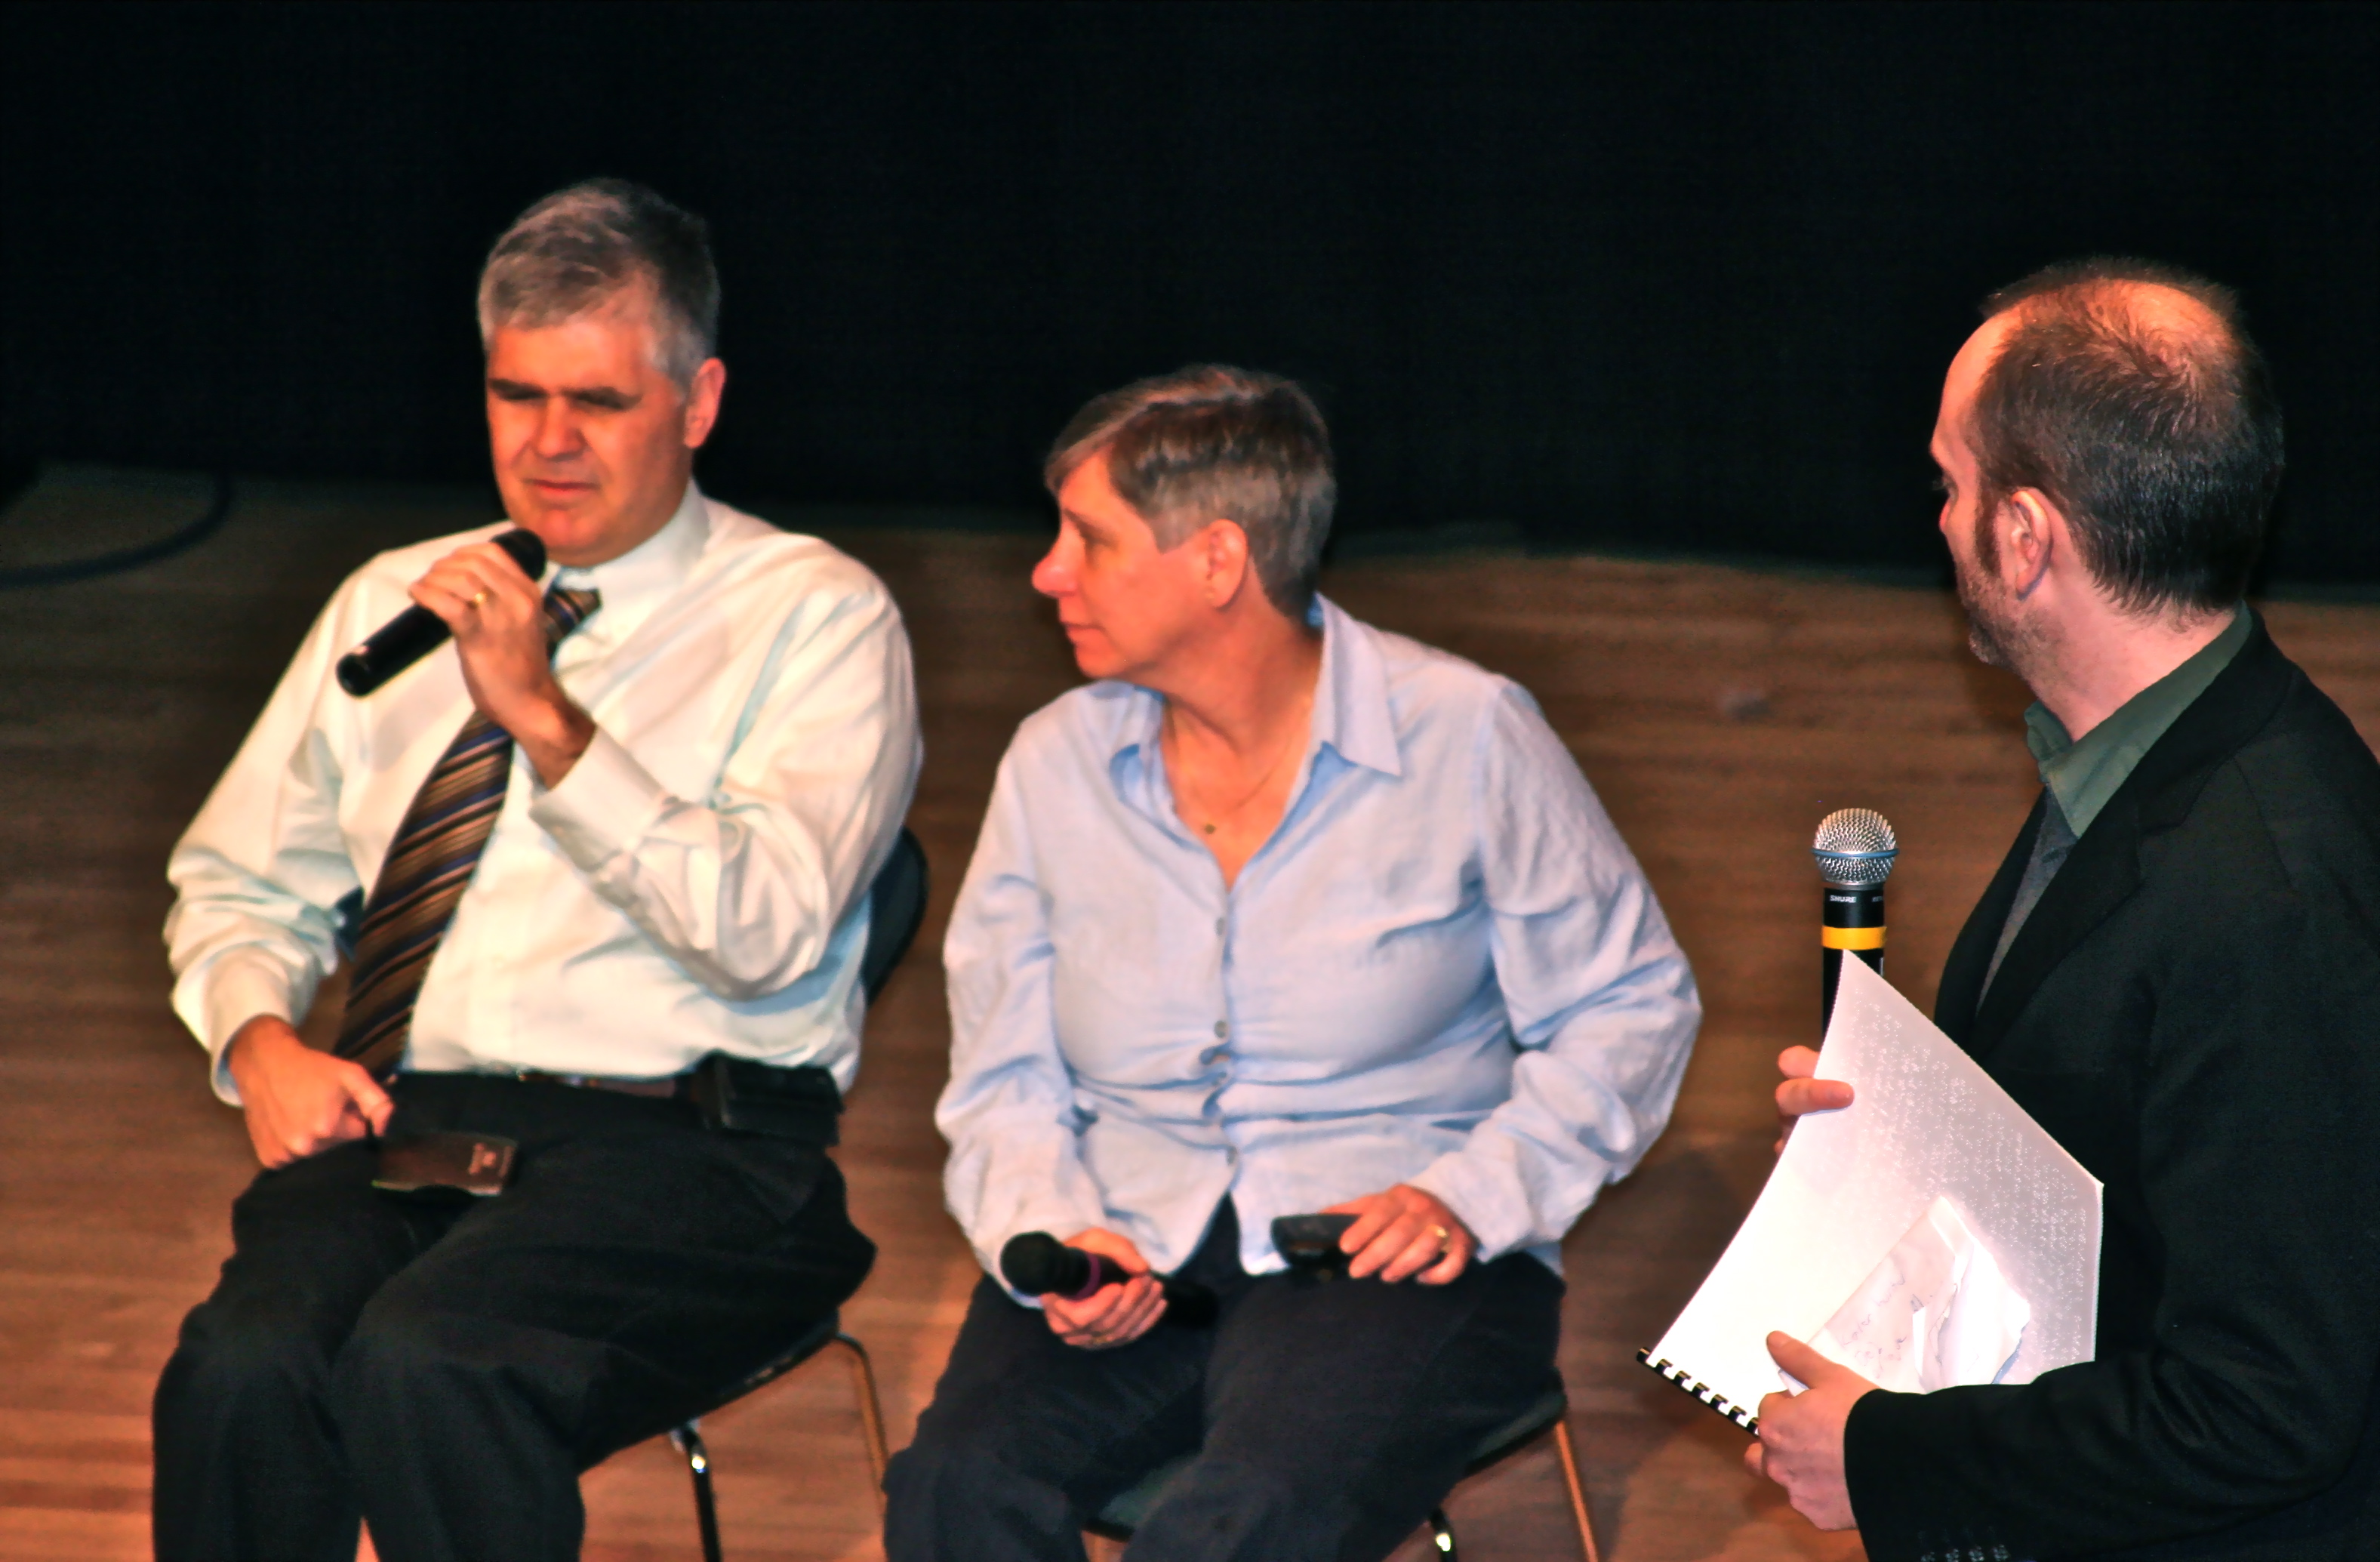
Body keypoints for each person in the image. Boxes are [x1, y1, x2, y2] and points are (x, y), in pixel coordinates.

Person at [152, 180, 920, 1562]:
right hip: (411, 1122)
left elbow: (764, 934)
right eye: (517, 397)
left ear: (698, 401)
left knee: (432, 1362)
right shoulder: (396, 597)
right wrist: (258, 1035)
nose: (549, 445)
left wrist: (550, 723)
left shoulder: (815, 615)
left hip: (697, 1146)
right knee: (243, 1370)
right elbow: (242, 879)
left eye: (601, 404)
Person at [882, 365, 1701, 1560]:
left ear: (1217, 562)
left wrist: (1473, 1193)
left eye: (1088, 539)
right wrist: (1054, 1226)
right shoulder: (1052, 762)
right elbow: (1003, 1074)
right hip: (1128, 1228)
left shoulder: (1463, 733)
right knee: (955, 1490)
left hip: (1388, 1244)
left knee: (1242, 1525)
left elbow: (1629, 1005)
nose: (1045, 571)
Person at [1752, 260, 2380, 1559]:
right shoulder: (2150, 746)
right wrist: (1891, 1147)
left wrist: (1883, 1453)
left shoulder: (2266, 894)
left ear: (2028, 538)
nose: (1937, 520)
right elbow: (2125, 1141)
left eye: (1952, 484)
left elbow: (2262, 1407)